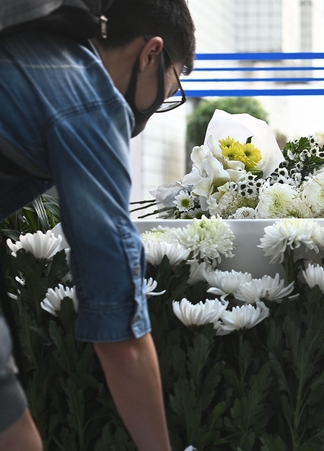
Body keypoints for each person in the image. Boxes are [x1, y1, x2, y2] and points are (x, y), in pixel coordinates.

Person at [0, 1, 195, 450]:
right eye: (172, 85)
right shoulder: (90, 98)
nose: (163, 101)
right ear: (151, 53)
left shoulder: (34, 48)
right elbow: (119, 327)